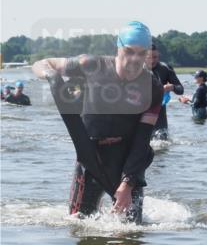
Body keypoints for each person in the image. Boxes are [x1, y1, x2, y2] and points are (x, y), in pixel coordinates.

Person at [30, 20, 163, 223]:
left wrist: (127, 183)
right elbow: (41, 63)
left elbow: (142, 140)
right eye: (129, 51)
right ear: (118, 48)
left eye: (141, 53)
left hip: (128, 159)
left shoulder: (153, 87)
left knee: (132, 231)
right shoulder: (91, 65)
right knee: (79, 224)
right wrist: (51, 76)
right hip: (90, 156)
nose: (135, 59)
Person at [146, 42, 183, 138]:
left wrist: (172, 87)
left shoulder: (165, 68)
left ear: (158, 56)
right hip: (141, 116)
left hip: (160, 117)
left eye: (155, 57)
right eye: (149, 57)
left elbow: (180, 89)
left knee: (162, 145)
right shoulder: (136, 69)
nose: (152, 60)